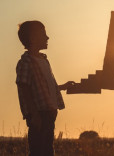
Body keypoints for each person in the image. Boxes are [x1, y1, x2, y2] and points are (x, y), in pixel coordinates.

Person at [15, 20, 74, 156]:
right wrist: (34, 114)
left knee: (47, 149)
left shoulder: (44, 60)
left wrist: (62, 87)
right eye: (44, 34)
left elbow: (46, 88)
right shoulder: (26, 62)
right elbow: (24, 88)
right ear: (33, 39)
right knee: (38, 150)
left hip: (49, 113)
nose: (47, 37)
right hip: (39, 114)